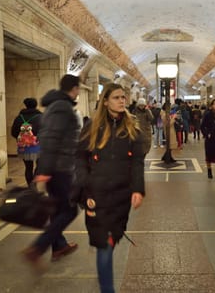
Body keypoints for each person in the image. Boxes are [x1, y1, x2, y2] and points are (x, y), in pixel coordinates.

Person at [76, 83, 145, 293]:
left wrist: (138, 189)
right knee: (104, 244)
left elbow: (137, 162)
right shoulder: (92, 127)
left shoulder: (132, 128)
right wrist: (86, 186)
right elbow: (79, 158)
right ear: (105, 101)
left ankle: (103, 270)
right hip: (96, 195)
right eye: (116, 97)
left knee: (112, 238)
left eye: (123, 97)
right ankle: (108, 289)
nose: (122, 101)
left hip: (121, 196)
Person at [21, 74, 80, 269]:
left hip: (56, 166)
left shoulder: (54, 107)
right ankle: (38, 247)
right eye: (78, 88)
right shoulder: (62, 107)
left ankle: (58, 246)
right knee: (70, 210)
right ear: (74, 89)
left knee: (57, 208)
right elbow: (51, 139)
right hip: (59, 168)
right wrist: (45, 171)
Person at [10, 97, 42, 185]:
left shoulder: (19, 118)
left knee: (28, 167)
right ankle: (34, 184)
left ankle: (30, 185)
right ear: (36, 105)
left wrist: (22, 139)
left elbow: (13, 132)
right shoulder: (41, 117)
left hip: (24, 147)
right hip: (38, 146)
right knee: (40, 165)